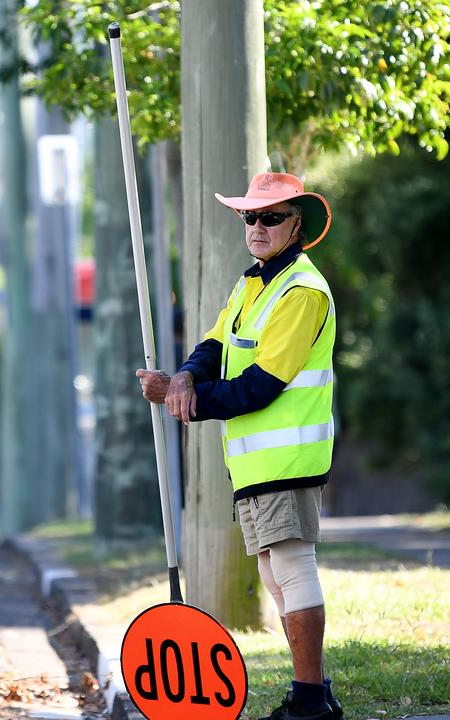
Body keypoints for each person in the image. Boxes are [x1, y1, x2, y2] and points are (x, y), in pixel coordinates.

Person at [137, 172, 342, 720]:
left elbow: (260, 385)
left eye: (271, 217)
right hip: (256, 462)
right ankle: (316, 695)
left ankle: (309, 703)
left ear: (297, 224)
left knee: (294, 568)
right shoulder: (253, 283)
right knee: (277, 574)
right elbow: (214, 343)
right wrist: (183, 376)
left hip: (287, 457)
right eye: (250, 216)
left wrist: (184, 399)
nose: (257, 226)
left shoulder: (300, 291)